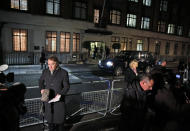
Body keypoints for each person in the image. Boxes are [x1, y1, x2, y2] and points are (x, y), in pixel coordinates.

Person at [39, 55, 70, 131]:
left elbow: (66, 87)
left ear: (57, 63)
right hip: (48, 99)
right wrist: (42, 89)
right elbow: (40, 81)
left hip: (58, 100)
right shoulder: (45, 71)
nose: (50, 66)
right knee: (50, 121)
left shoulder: (63, 73)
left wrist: (60, 94)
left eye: (52, 64)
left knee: (60, 121)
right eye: (48, 64)